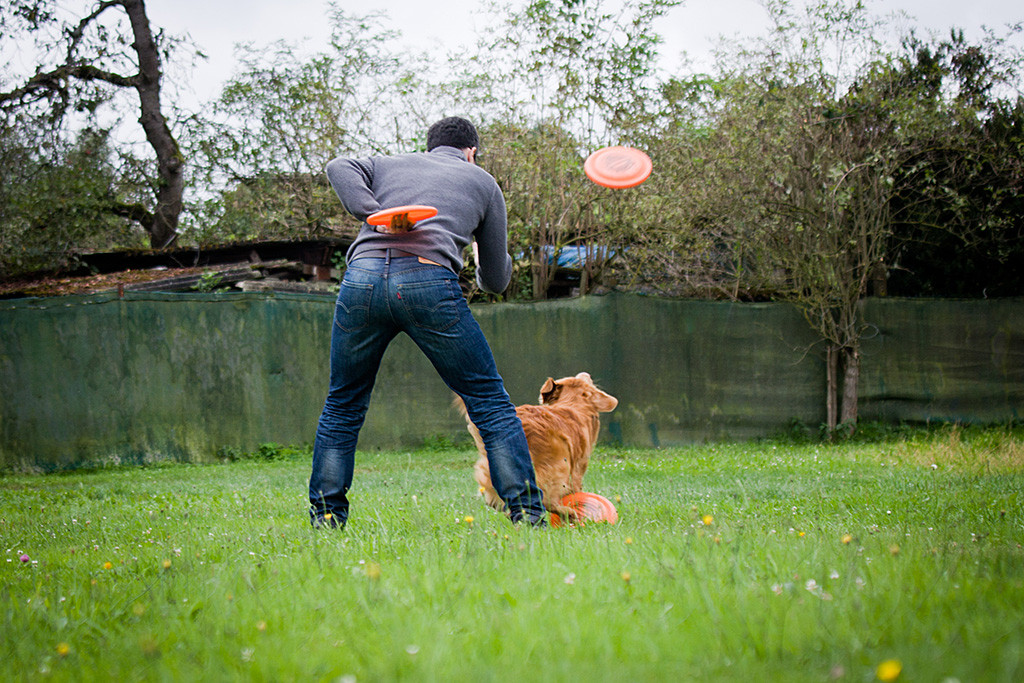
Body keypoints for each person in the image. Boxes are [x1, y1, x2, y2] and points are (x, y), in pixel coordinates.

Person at [308, 116, 547, 528]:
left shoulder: (385, 163)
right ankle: (528, 515)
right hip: (426, 280)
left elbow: (337, 166)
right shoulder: (483, 182)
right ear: (471, 151)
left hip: (361, 279)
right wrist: (485, 253)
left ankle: (326, 518)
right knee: (489, 402)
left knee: (343, 404)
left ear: (429, 146)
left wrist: (375, 214)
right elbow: (494, 281)